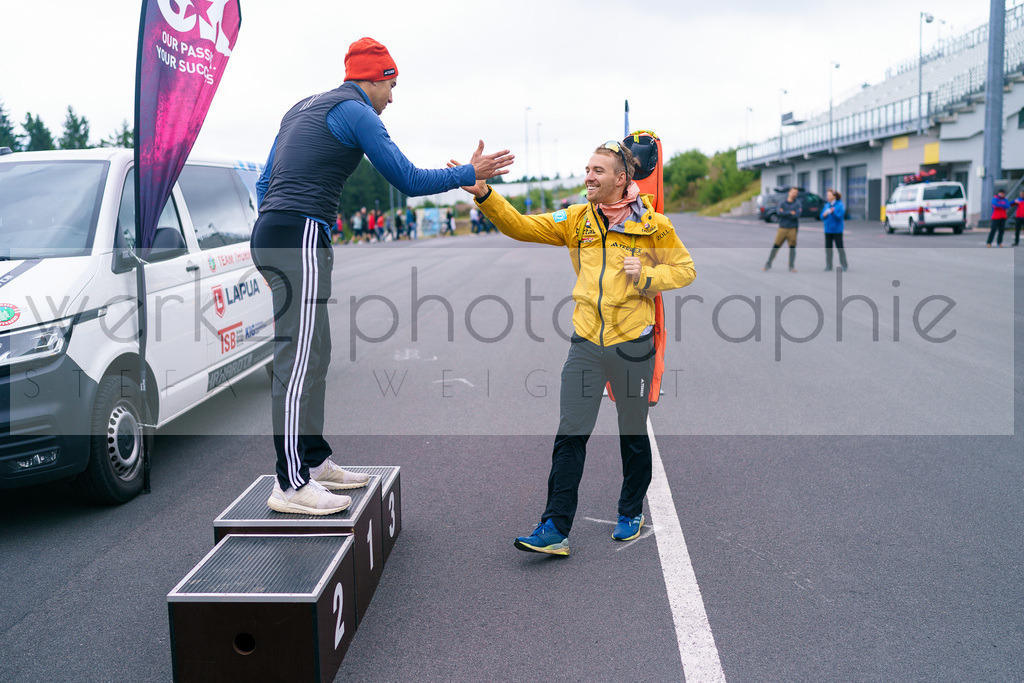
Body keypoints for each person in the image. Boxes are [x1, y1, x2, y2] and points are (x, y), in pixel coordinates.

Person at [251, 36, 513, 515]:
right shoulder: (357, 113)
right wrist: (467, 172)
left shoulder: (302, 107)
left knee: (318, 352)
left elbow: (264, 182)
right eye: (392, 85)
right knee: (296, 359)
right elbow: (409, 180)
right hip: (300, 235)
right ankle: (289, 483)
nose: (393, 97)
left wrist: (277, 236)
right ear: (375, 78)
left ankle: (313, 459)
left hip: (276, 230)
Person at [451, 140, 696, 555]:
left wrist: (649, 275)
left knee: (632, 435)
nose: (588, 177)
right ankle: (554, 527)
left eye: (598, 171)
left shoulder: (654, 225)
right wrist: (487, 196)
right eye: (587, 169)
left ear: (622, 179)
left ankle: (630, 510)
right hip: (585, 342)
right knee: (570, 435)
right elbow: (523, 226)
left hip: (632, 345)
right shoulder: (578, 219)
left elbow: (685, 269)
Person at [764, 187, 801, 272]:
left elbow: (797, 215)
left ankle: (791, 266)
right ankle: (768, 263)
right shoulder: (782, 202)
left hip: (792, 228)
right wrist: (790, 212)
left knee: (792, 247)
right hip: (782, 228)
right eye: (793, 192)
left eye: (796, 193)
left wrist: (785, 212)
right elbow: (779, 213)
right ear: (789, 192)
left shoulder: (797, 204)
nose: (794, 194)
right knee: (776, 245)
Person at [821, 188, 848, 271]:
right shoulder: (826, 205)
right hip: (828, 230)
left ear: (834, 196)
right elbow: (821, 216)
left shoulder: (840, 205)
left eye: (829, 195)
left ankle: (844, 264)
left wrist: (833, 212)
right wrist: (824, 215)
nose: (828, 197)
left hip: (837, 230)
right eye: (827, 195)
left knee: (840, 247)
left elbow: (840, 216)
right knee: (828, 248)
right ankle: (829, 265)